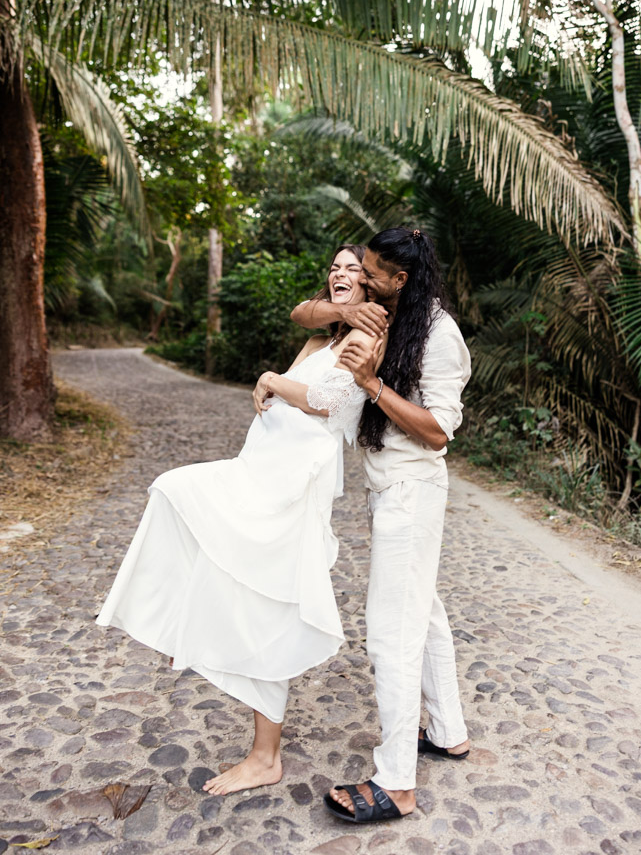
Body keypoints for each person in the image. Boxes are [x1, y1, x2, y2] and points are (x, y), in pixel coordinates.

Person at [96, 244, 384, 797]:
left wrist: (274, 380)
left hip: (294, 481)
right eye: (335, 267)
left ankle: (264, 755)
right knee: (174, 492)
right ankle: (186, 624)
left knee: (270, 601)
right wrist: (296, 355)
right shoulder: (324, 330)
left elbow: (328, 400)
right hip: (258, 466)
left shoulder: (365, 336)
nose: (340, 275)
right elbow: (305, 313)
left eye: (354, 270)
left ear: (371, 285)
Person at [291, 227, 471, 824]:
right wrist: (346, 304)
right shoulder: (386, 312)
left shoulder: (441, 336)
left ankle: (396, 783)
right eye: (359, 270)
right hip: (390, 490)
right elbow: (308, 311)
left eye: (372, 274)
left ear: (403, 279)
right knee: (428, 613)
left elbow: (437, 430)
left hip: (411, 491)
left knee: (392, 632)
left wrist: (372, 385)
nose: (361, 280)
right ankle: (448, 731)